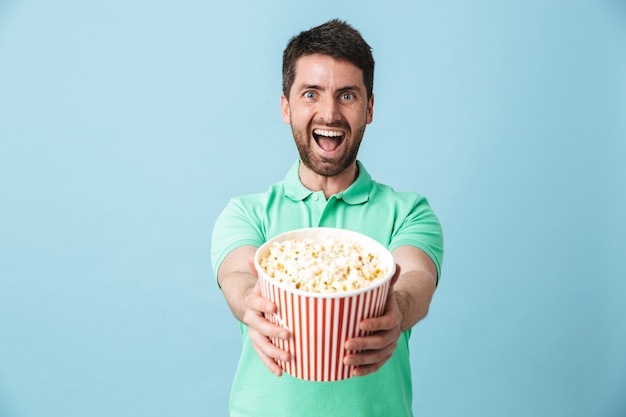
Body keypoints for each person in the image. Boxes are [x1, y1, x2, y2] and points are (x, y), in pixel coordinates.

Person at [211, 18, 444, 417]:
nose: (329, 113)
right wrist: (251, 298)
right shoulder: (246, 213)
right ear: (287, 107)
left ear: (369, 108)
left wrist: (399, 309)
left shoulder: (408, 212)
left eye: (348, 96)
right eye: (311, 94)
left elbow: (417, 278)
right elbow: (237, 275)